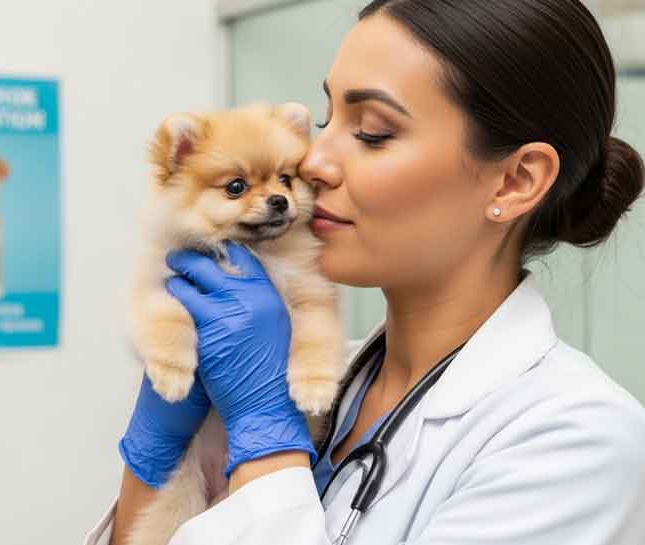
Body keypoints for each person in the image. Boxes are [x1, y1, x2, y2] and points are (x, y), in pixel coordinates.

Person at [86, 1, 645, 543]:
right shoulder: (322, 372)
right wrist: (153, 455)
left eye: (373, 131)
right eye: (326, 119)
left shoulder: (576, 439)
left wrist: (267, 440)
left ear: (516, 181)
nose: (314, 162)